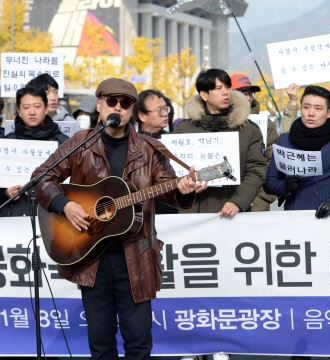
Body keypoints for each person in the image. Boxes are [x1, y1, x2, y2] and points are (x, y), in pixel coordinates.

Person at [32, 78, 205, 360]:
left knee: (138, 343)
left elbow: (170, 190)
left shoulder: (150, 149)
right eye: (111, 102)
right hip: (91, 257)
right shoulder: (81, 143)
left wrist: (184, 191)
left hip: (136, 256)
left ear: (133, 111)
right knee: (100, 344)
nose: (118, 108)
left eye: (125, 104)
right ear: (99, 105)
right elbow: (42, 178)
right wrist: (65, 205)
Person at [174, 68, 267, 219]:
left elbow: (256, 170)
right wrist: (184, 189)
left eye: (227, 87)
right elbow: (172, 172)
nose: (226, 92)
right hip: (193, 215)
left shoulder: (249, 130)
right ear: (204, 94)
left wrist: (238, 202)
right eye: (218, 88)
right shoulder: (184, 129)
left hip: (234, 214)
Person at [264, 85, 330, 218]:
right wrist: (285, 186)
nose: (311, 113)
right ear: (301, 108)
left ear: (329, 113)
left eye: (318, 108)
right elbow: (270, 182)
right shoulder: (285, 140)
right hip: (294, 216)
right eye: (306, 107)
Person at [0, 86, 68, 217]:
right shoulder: (5, 144)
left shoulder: (64, 144)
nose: (32, 112)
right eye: (26, 107)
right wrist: (5, 193)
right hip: (14, 217)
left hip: (53, 218)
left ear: (46, 108)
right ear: (18, 110)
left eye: (37, 106)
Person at [230, 73, 279, 211]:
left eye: (250, 94)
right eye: (243, 93)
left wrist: (264, 195)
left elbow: (272, 160)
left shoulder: (265, 124)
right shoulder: (221, 122)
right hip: (227, 198)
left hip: (258, 199)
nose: (248, 97)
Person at [134, 89, 177, 215]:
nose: (165, 114)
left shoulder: (176, 141)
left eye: (166, 109)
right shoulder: (130, 143)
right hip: (138, 212)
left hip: (171, 211)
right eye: (159, 110)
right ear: (142, 115)